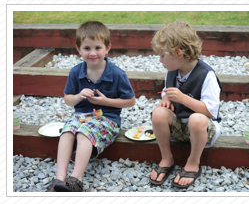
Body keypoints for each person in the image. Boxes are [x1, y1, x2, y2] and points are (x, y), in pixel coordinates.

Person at [46, 21, 135, 192]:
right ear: (78, 49)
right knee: (67, 131)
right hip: (81, 115)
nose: (92, 53)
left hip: (107, 119)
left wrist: (104, 101)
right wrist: (79, 96)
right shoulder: (75, 72)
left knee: (83, 131)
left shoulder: (116, 74)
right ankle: (59, 178)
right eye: (87, 48)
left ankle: (76, 180)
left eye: (97, 48)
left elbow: (130, 101)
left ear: (107, 48)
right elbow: (68, 100)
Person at [149, 20, 222, 189]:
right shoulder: (172, 71)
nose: (160, 60)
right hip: (178, 128)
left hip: (202, 130)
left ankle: (193, 162)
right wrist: (166, 100)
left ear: (178, 52)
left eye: (162, 55)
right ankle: (167, 158)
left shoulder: (206, 75)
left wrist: (183, 99)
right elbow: (167, 91)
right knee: (158, 113)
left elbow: (211, 111)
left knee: (197, 118)